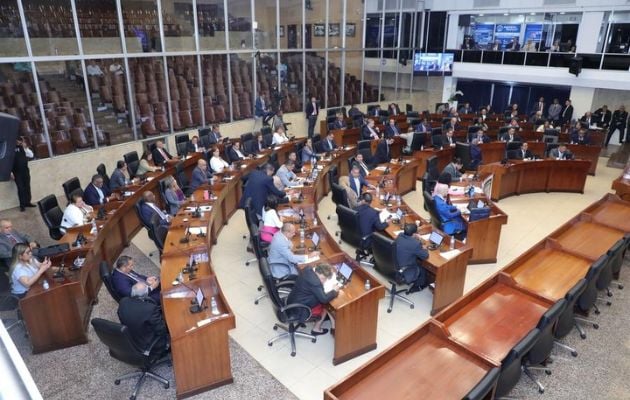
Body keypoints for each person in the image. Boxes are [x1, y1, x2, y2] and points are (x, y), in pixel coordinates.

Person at [286, 263, 339, 336]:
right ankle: (316, 329)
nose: (323, 281)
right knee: (326, 305)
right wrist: (334, 291)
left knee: (324, 298)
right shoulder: (315, 282)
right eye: (323, 279)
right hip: (300, 308)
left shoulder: (307, 269)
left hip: (292, 300)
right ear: (319, 273)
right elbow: (324, 299)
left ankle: (333, 325)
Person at [117, 282, 169, 351]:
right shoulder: (150, 309)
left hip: (131, 337)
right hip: (147, 342)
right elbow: (161, 330)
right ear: (145, 295)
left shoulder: (123, 302)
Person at [395, 223, 430, 291]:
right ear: (414, 234)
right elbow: (425, 256)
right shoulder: (415, 244)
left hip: (394, 264)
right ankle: (418, 286)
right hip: (404, 268)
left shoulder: (400, 236)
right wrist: (424, 247)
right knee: (422, 268)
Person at [11, 136, 34, 211]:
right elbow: (8, 162)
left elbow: (31, 155)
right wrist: (10, 173)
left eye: (20, 141)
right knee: (20, 188)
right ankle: (22, 205)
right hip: (16, 172)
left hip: (25, 171)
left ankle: (28, 202)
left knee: (27, 187)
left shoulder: (23, 148)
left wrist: (25, 147)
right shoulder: (10, 148)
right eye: (18, 141)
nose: (19, 142)